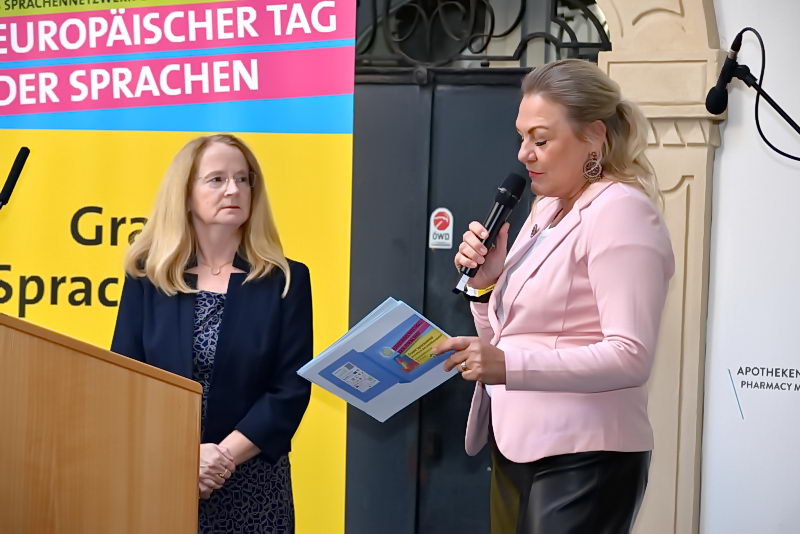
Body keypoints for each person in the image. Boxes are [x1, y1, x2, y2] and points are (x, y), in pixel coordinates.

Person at [432, 59, 675, 534]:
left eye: (540, 140)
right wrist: (485, 285)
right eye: (522, 138)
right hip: (516, 443)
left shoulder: (621, 212)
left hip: (584, 456)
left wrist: (508, 366)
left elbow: (630, 356)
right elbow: (509, 336)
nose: (524, 154)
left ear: (593, 136)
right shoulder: (546, 208)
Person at [111, 134, 312, 533]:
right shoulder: (148, 278)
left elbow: (290, 390)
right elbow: (126, 382)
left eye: (243, 179)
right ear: (185, 194)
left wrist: (219, 460)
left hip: (252, 483)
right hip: (162, 473)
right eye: (217, 179)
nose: (233, 189)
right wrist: (184, 457)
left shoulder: (286, 280)